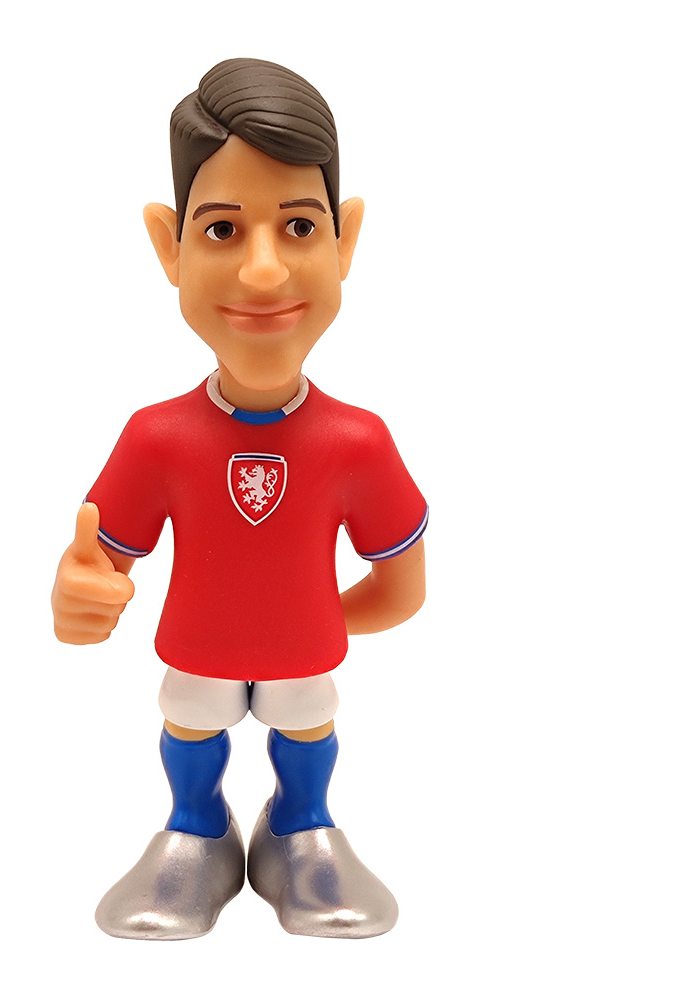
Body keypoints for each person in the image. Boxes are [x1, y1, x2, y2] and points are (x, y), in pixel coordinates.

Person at [52, 58, 428, 939]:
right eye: (222, 230)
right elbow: (103, 557)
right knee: (192, 716)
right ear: (169, 246)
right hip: (199, 648)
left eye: (299, 226)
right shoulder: (157, 438)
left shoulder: (359, 443)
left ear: (345, 241)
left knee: (305, 716)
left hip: (297, 654)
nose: (263, 273)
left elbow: (403, 588)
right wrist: (79, 593)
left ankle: (300, 828)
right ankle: (197, 830)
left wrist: (304, 619)